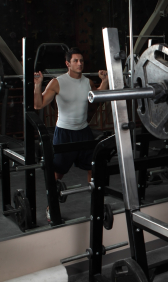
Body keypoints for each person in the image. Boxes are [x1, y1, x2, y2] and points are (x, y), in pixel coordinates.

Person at [34, 47, 109, 222]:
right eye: (75, 60)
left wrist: (104, 81)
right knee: (58, 173)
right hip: (64, 133)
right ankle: (51, 207)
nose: (80, 63)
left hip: (84, 132)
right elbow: (38, 105)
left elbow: (98, 96)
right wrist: (37, 85)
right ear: (68, 64)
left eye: (81, 60)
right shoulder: (57, 82)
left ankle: (95, 204)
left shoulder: (87, 82)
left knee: (93, 167)